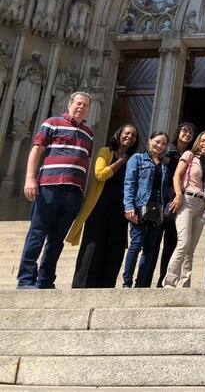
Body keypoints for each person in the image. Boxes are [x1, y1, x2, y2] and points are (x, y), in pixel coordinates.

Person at [17, 92, 94, 289]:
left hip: (73, 192)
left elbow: (85, 162)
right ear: (70, 104)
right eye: (79, 103)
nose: (81, 107)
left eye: (85, 105)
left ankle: (45, 280)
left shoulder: (88, 132)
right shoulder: (52, 122)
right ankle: (26, 279)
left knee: (57, 239)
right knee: (37, 233)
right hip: (49, 187)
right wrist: (30, 179)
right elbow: (37, 149)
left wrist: (82, 192)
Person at [68, 124, 139, 288]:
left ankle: (106, 285)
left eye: (133, 135)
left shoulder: (135, 158)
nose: (129, 137)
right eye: (126, 133)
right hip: (100, 204)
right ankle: (83, 284)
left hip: (120, 207)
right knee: (93, 244)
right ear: (119, 134)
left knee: (115, 245)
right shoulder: (105, 151)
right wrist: (120, 162)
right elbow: (100, 174)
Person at [163, 130, 205, 288]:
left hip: (202, 205)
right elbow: (176, 176)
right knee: (183, 242)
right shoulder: (189, 155)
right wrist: (178, 195)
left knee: (191, 248)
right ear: (198, 142)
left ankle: (184, 284)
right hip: (186, 200)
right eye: (203, 141)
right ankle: (170, 282)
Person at [122, 131, 170, 288]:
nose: (160, 146)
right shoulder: (137, 159)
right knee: (136, 244)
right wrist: (129, 206)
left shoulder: (164, 166)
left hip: (157, 210)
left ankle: (140, 284)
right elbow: (129, 183)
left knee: (149, 249)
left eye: (163, 144)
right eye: (157, 142)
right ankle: (127, 282)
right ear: (149, 141)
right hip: (139, 206)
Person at [151, 121, 196, 287]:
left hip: (178, 203)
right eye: (184, 130)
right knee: (153, 244)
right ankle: (144, 280)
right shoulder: (166, 151)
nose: (187, 134)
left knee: (171, 244)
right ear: (178, 132)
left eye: (191, 132)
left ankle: (163, 281)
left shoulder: (192, 155)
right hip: (161, 200)